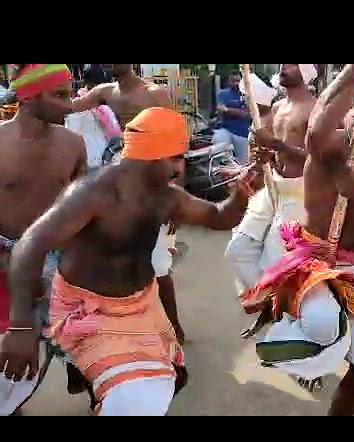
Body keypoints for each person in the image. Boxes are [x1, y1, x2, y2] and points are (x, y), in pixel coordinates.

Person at [0, 107, 259, 416]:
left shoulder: (166, 196)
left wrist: (241, 195)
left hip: (140, 306)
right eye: (174, 158)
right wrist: (19, 327)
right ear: (149, 156)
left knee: (168, 379)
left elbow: (218, 217)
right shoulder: (93, 193)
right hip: (89, 310)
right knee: (138, 399)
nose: (180, 169)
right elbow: (29, 246)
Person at [240, 65, 354, 416]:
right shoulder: (332, 147)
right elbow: (316, 129)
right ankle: (292, 331)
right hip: (317, 265)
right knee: (323, 327)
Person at [71, 64, 184, 345]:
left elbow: (178, 144)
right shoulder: (106, 92)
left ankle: (175, 329)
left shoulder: (154, 94)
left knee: (158, 265)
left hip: (156, 185)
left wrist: (176, 196)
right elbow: (67, 107)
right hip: (126, 187)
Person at [0, 64, 87, 416]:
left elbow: (80, 211)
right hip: (3, 256)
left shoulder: (73, 144)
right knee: (12, 353)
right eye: (60, 95)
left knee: (75, 340)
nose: (70, 105)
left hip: (52, 260)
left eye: (70, 93)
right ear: (28, 97)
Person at [227, 64, 315, 292]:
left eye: (292, 65)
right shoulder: (277, 108)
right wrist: (260, 162)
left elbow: (319, 161)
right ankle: (269, 299)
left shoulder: (315, 109)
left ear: (306, 71)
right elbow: (273, 155)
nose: (284, 67)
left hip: (300, 193)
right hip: (273, 187)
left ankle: (283, 311)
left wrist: (276, 145)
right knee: (238, 250)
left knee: (276, 263)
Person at [215, 71, 251, 164]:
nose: (236, 83)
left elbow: (246, 114)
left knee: (244, 162)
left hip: (243, 133)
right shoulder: (222, 94)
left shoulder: (247, 95)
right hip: (226, 130)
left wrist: (227, 110)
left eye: (238, 81)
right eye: (233, 81)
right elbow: (220, 110)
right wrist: (236, 111)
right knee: (222, 153)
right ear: (228, 81)